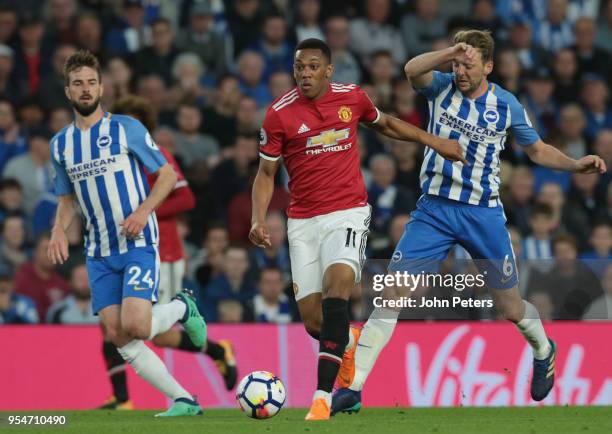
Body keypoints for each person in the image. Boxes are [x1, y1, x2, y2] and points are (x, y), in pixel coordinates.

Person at [332, 29, 607, 415]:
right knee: (393, 294)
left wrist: (575, 165)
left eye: (469, 64)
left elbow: (538, 150)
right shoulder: (441, 86)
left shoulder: (506, 105)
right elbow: (412, 70)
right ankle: (353, 387)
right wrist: (449, 52)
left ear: (488, 67)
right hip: (435, 212)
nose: (460, 71)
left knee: (510, 308)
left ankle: (544, 350)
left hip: (483, 214)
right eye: (457, 63)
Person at [249, 38, 464, 421]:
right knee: (316, 322)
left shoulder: (352, 98)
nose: (305, 73)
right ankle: (350, 343)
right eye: (300, 66)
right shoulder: (278, 114)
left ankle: (322, 397)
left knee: (338, 291)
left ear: (328, 71)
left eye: (313, 66)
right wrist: (258, 218)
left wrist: (433, 142)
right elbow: (266, 173)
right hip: (302, 221)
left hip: (347, 213)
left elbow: (388, 125)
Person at [47, 49, 206, 417]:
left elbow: (167, 176)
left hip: (137, 242)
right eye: (77, 84)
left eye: (91, 82)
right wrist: (58, 231)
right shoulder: (61, 144)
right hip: (98, 251)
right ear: (67, 92)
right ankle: (184, 400)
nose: (85, 90)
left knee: (137, 325)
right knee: (118, 335)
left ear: (102, 87)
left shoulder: (126, 128)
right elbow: (67, 198)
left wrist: (142, 211)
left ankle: (183, 306)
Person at [95, 95, 237, 410]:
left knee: (148, 333)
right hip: (123, 251)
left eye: (133, 123)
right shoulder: (112, 159)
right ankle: (122, 399)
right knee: (115, 326)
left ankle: (216, 350)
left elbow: (186, 199)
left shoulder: (157, 155)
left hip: (163, 252)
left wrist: (145, 212)